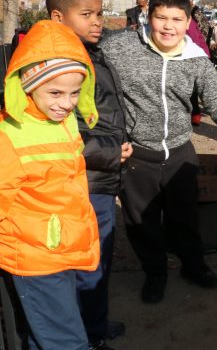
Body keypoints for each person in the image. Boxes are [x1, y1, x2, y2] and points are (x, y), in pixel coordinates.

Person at [100, 0, 217, 304]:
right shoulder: (118, 47)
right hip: (137, 157)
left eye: (176, 19)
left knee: (184, 217)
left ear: (188, 22)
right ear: (149, 17)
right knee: (141, 222)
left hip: (180, 154)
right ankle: (155, 272)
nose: (168, 26)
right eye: (161, 18)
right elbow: (85, 73)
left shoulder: (196, 58)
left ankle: (193, 265)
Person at [0, 20, 100, 349]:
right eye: (55, 92)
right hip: (35, 258)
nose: (67, 102)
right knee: (65, 340)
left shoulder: (62, 121)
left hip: (60, 247)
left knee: (49, 332)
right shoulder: (9, 135)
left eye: (75, 92)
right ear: (26, 84)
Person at [45, 0, 131, 350]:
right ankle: (87, 336)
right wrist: (111, 153)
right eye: (87, 14)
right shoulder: (58, 65)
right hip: (86, 180)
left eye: (99, 13)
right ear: (58, 16)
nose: (98, 21)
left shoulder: (87, 51)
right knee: (88, 263)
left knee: (98, 261)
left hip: (100, 176)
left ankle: (94, 326)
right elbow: (57, 134)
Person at [187, 5, 211, 126]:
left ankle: (195, 113)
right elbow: (202, 37)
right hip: (199, 55)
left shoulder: (191, 20)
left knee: (193, 90)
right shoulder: (192, 21)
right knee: (194, 90)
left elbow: (199, 38)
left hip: (193, 57)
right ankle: (195, 113)